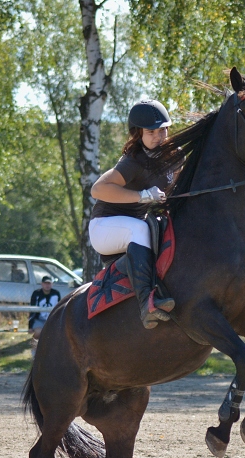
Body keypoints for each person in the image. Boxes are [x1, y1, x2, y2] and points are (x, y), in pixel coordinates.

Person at [89, 99, 177, 329]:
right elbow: (98, 189)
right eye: (151, 131)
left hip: (134, 228)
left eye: (163, 129)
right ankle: (146, 305)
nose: (159, 135)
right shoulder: (133, 161)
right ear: (138, 134)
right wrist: (143, 196)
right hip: (103, 228)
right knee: (139, 228)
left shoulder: (172, 156)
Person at [29, 276, 61, 356]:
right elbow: (32, 310)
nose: (47, 285)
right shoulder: (36, 294)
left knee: (54, 334)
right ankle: (34, 351)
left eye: (49, 283)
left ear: (52, 284)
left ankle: (51, 354)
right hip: (39, 319)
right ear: (42, 284)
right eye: (45, 283)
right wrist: (30, 326)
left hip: (52, 319)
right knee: (38, 332)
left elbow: (59, 309)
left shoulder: (56, 294)